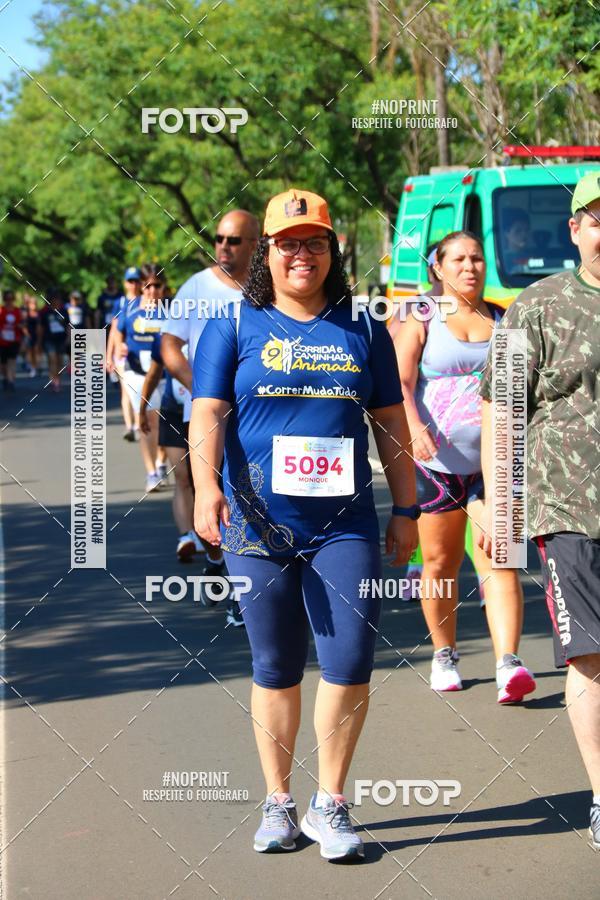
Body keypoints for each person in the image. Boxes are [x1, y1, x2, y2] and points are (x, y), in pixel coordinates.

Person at [190, 189, 418, 859]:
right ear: (266, 250)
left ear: (331, 251)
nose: (301, 254)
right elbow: (206, 415)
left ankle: (332, 804)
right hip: (257, 528)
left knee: (349, 660)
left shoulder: (363, 327)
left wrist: (406, 509)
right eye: (288, 242)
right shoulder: (233, 326)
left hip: (343, 525)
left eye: (314, 241)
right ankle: (279, 801)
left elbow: (392, 425)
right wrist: (206, 488)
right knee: (276, 664)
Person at [479, 172, 600, 849]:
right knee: (589, 655)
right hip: (569, 506)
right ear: (577, 228)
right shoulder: (538, 305)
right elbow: (501, 406)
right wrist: (503, 504)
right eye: (597, 218)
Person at [393, 230, 535, 700]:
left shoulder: (504, 320)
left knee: (502, 557)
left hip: (498, 465)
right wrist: (413, 427)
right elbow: (399, 384)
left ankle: (508, 663)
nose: (470, 266)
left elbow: (518, 393)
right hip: (438, 463)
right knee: (440, 563)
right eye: (458, 259)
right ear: (438, 267)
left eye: (476, 258)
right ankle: (444, 654)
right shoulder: (421, 317)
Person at [161, 209, 259, 621]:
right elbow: (169, 347)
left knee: (247, 494)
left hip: (253, 414)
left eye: (233, 240)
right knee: (209, 490)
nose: (223, 246)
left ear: (257, 243)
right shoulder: (196, 287)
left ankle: (242, 589)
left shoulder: (267, 289)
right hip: (202, 413)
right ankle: (219, 561)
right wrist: (209, 390)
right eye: (219, 238)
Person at [139, 348, 204, 564]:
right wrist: (142, 409)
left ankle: (204, 532)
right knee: (182, 477)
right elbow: (153, 374)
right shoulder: (166, 338)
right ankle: (186, 536)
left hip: (203, 412)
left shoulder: (211, 325)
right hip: (172, 412)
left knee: (201, 478)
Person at [113, 263, 166, 492]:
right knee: (146, 421)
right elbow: (118, 332)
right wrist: (120, 348)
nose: (152, 291)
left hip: (163, 377)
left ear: (163, 288)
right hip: (136, 374)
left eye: (157, 286)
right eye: (148, 286)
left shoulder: (171, 312)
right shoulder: (130, 309)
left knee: (161, 422)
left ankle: (162, 460)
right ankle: (151, 472)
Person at [106, 267, 140, 442]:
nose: (133, 285)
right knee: (126, 390)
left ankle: (139, 423)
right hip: (121, 353)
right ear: (125, 283)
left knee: (138, 389)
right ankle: (130, 426)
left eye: (136, 281)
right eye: (130, 281)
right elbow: (114, 329)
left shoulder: (144, 301)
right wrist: (108, 355)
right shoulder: (120, 303)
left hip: (140, 351)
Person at [38, 288, 68, 391]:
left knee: (59, 360)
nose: (57, 301)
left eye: (58, 298)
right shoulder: (44, 312)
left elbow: (68, 325)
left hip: (61, 338)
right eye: (54, 298)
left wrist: (69, 337)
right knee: (52, 359)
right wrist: (39, 341)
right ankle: (54, 380)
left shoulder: (63, 311)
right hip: (49, 339)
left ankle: (57, 377)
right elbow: (41, 327)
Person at [0, 290, 24, 391]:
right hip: (2, 341)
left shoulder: (17, 311)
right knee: (3, 363)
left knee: (12, 360)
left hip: (14, 340)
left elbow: (22, 324)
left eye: (11, 299)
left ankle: (11, 380)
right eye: (7, 299)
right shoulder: (1, 310)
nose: (9, 301)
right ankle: (6, 377)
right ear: (4, 299)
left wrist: (20, 326)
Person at [23, 294, 40, 377]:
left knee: (37, 352)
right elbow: (24, 326)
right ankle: (32, 367)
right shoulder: (26, 314)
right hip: (29, 335)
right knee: (30, 352)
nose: (33, 305)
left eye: (34, 303)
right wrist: (27, 334)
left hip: (37, 336)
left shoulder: (39, 314)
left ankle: (37, 367)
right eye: (31, 303)